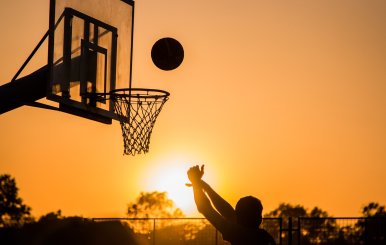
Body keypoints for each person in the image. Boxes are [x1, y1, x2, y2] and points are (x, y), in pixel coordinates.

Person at [187, 165, 276, 245]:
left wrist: (195, 183)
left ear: (239, 217)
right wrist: (202, 184)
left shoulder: (238, 234)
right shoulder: (264, 237)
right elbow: (228, 212)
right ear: (259, 218)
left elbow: (205, 208)